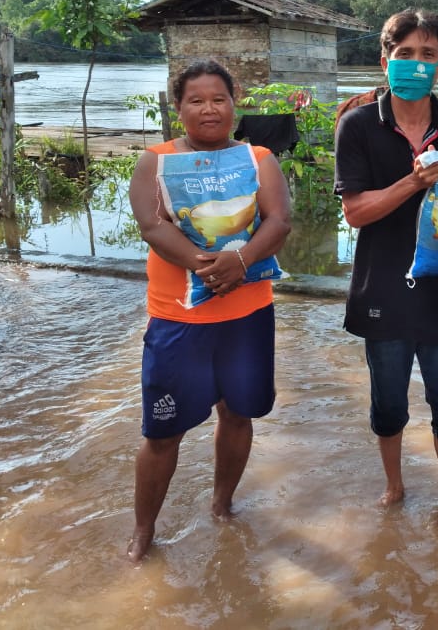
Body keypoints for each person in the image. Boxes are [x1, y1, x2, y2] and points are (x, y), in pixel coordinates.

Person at [126, 59, 292, 562]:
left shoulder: (258, 157)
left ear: (234, 103)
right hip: (179, 321)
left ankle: (222, 506)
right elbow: (153, 226)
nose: (208, 109)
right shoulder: (154, 162)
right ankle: (143, 532)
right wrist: (210, 267)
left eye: (218, 99)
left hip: (247, 318)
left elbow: (279, 219)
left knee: (238, 415)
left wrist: (240, 260)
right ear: (178, 108)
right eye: (195, 100)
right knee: (162, 432)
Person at [333, 8, 438, 536]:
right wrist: (412, 183)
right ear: (385, 59)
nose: (416, 64)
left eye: (428, 54)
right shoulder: (357, 124)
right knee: (389, 405)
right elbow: (355, 213)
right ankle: (394, 486)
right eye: (405, 54)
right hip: (383, 289)